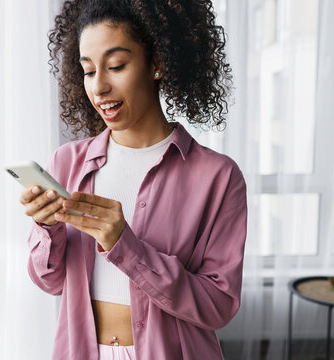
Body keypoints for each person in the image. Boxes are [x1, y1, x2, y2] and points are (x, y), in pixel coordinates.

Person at [19, 1, 247, 359]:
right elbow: (50, 282)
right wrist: (46, 228)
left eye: (116, 66)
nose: (99, 87)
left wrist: (125, 245)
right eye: (88, 70)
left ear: (157, 63)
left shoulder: (218, 177)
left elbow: (219, 305)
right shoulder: (67, 163)